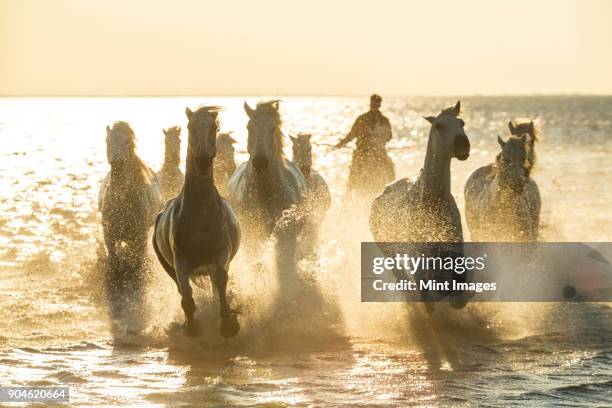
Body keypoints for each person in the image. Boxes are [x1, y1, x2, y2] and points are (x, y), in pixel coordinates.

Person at [335, 94, 395, 194]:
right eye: (374, 102)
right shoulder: (383, 120)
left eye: (376, 102)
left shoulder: (363, 118)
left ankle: (347, 196)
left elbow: (352, 134)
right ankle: (391, 192)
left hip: (366, 152)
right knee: (390, 170)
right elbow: (389, 137)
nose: (375, 104)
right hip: (374, 153)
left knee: (354, 174)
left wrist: (341, 143)